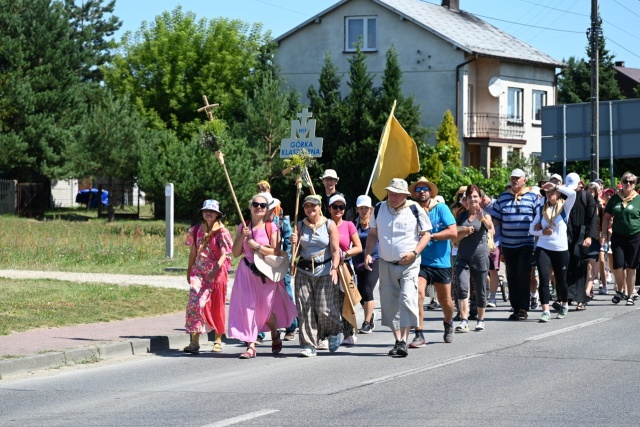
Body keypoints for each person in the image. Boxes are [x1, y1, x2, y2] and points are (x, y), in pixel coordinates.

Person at [364, 178, 432, 357]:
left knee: (408, 299)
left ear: (405, 195)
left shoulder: (414, 209)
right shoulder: (379, 208)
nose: (393, 197)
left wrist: (415, 253)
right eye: (391, 193)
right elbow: (373, 233)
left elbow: (426, 235)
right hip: (386, 262)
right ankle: (398, 340)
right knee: (389, 302)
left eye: (397, 194)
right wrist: (368, 253)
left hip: (409, 263)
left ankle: (405, 339)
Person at [228, 193, 298, 359]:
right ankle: (251, 346)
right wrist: (242, 237)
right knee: (248, 308)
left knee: (264, 313)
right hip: (246, 272)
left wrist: (257, 246)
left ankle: (274, 332)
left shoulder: (271, 227)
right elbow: (236, 253)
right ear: (250, 207)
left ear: (267, 209)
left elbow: (276, 251)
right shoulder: (242, 226)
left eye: (263, 205)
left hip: (265, 274)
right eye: (255, 204)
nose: (259, 207)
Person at [290, 194, 342, 357]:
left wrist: (334, 268)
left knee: (325, 309)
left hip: (325, 270)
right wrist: (294, 242)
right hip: (304, 272)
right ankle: (308, 345)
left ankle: (334, 331)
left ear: (319, 207)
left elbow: (335, 250)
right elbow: (296, 253)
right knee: (305, 308)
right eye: (306, 206)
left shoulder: (329, 224)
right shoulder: (300, 225)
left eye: (313, 206)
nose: (310, 209)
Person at [408, 177, 457, 348]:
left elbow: (453, 232)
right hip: (420, 261)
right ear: (414, 193)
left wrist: (431, 236)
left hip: (441, 262)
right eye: (419, 189)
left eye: (425, 189)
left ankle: (449, 322)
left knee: (445, 300)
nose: (422, 191)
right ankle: (419, 334)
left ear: (430, 192)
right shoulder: (411, 210)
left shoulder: (441, 208)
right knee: (418, 295)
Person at [183, 199, 233, 355]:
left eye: (211, 211)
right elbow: (193, 251)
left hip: (217, 272)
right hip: (199, 271)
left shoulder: (222, 232)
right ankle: (194, 341)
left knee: (216, 305)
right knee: (195, 303)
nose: (208, 213)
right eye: (205, 210)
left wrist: (215, 270)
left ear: (218, 214)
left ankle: (218, 339)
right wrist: (189, 269)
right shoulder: (196, 230)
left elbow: (225, 253)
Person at [491, 168, 538, 321]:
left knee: (523, 274)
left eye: (518, 178)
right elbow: (496, 220)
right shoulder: (503, 197)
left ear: (524, 180)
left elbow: (539, 219)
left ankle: (523, 308)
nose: (514, 180)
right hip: (508, 245)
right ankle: (515, 307)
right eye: (512, 178)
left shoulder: (532, 197)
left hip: (526, 243)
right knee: (511, 276)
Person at [529, 181, 576, 321]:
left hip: (561, 249)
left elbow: (573, 194)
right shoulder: (541, 210)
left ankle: (564, 304)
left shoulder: (565, 207)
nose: (550, 194)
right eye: (547, 192)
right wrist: (543, 232)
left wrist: (556, 186)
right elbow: (531, 229)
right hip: (543, 248)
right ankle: (545, 310)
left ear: (558, 193)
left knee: (561, 280)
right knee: (544, 279)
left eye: (553, 192)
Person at [453, 185, 493, 332]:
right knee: (462, 288)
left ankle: (481, 319)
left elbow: (489, 226)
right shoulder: (461, 216)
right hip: (463, 257)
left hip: (480, 257)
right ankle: (464, 320)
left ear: (481, 199)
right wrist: (464, 231)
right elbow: (454, 237)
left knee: (480, 289)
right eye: (470, 197)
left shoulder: (485, 214)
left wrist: (480, 215)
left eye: (475, 196)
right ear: (466, 200)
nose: (472, 199)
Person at [327, 194, 362, 346]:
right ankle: (329, 334)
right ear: (329, 209)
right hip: (326, 266)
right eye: (335, 207)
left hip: (344, 267)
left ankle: (348, 333)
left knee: (344, 301)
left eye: (341, 207)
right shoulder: (324, 224)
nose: (338, 210)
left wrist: (345, 253)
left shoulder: (349, 225)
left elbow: (359, 247)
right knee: (327, 302)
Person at [603, 172, 640, 305]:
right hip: (618, 236)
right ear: (622, 183)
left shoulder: (638, 199)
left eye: (631, 182)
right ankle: (621, 289)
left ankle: (630, 295)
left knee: (631, 267)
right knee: (618, 266)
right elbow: (606, 217)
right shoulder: (614, 199)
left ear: (635, 184)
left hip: (635, 236)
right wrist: (603, 234)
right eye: (625, 181)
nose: (628, 184)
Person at [565, 173, 597, 310]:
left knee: (580, 265)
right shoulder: (564, 195)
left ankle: (580, 299)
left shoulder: (586, 196)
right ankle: (566, 297)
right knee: (566, 265)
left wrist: (589, 236)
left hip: (582, 235)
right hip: (566, 235)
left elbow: (592, 219)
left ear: (580, 183)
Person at [352, 195, 379, 334]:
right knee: (360, 293)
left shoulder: (376, 224)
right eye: (361, 208)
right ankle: (371, 314)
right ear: (357, 209)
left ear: (371, 209)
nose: (364, 211)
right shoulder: (353, 225)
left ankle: (367, 322)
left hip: (374, 260)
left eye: (366, 208)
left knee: (368, 289)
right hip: (357, 262)